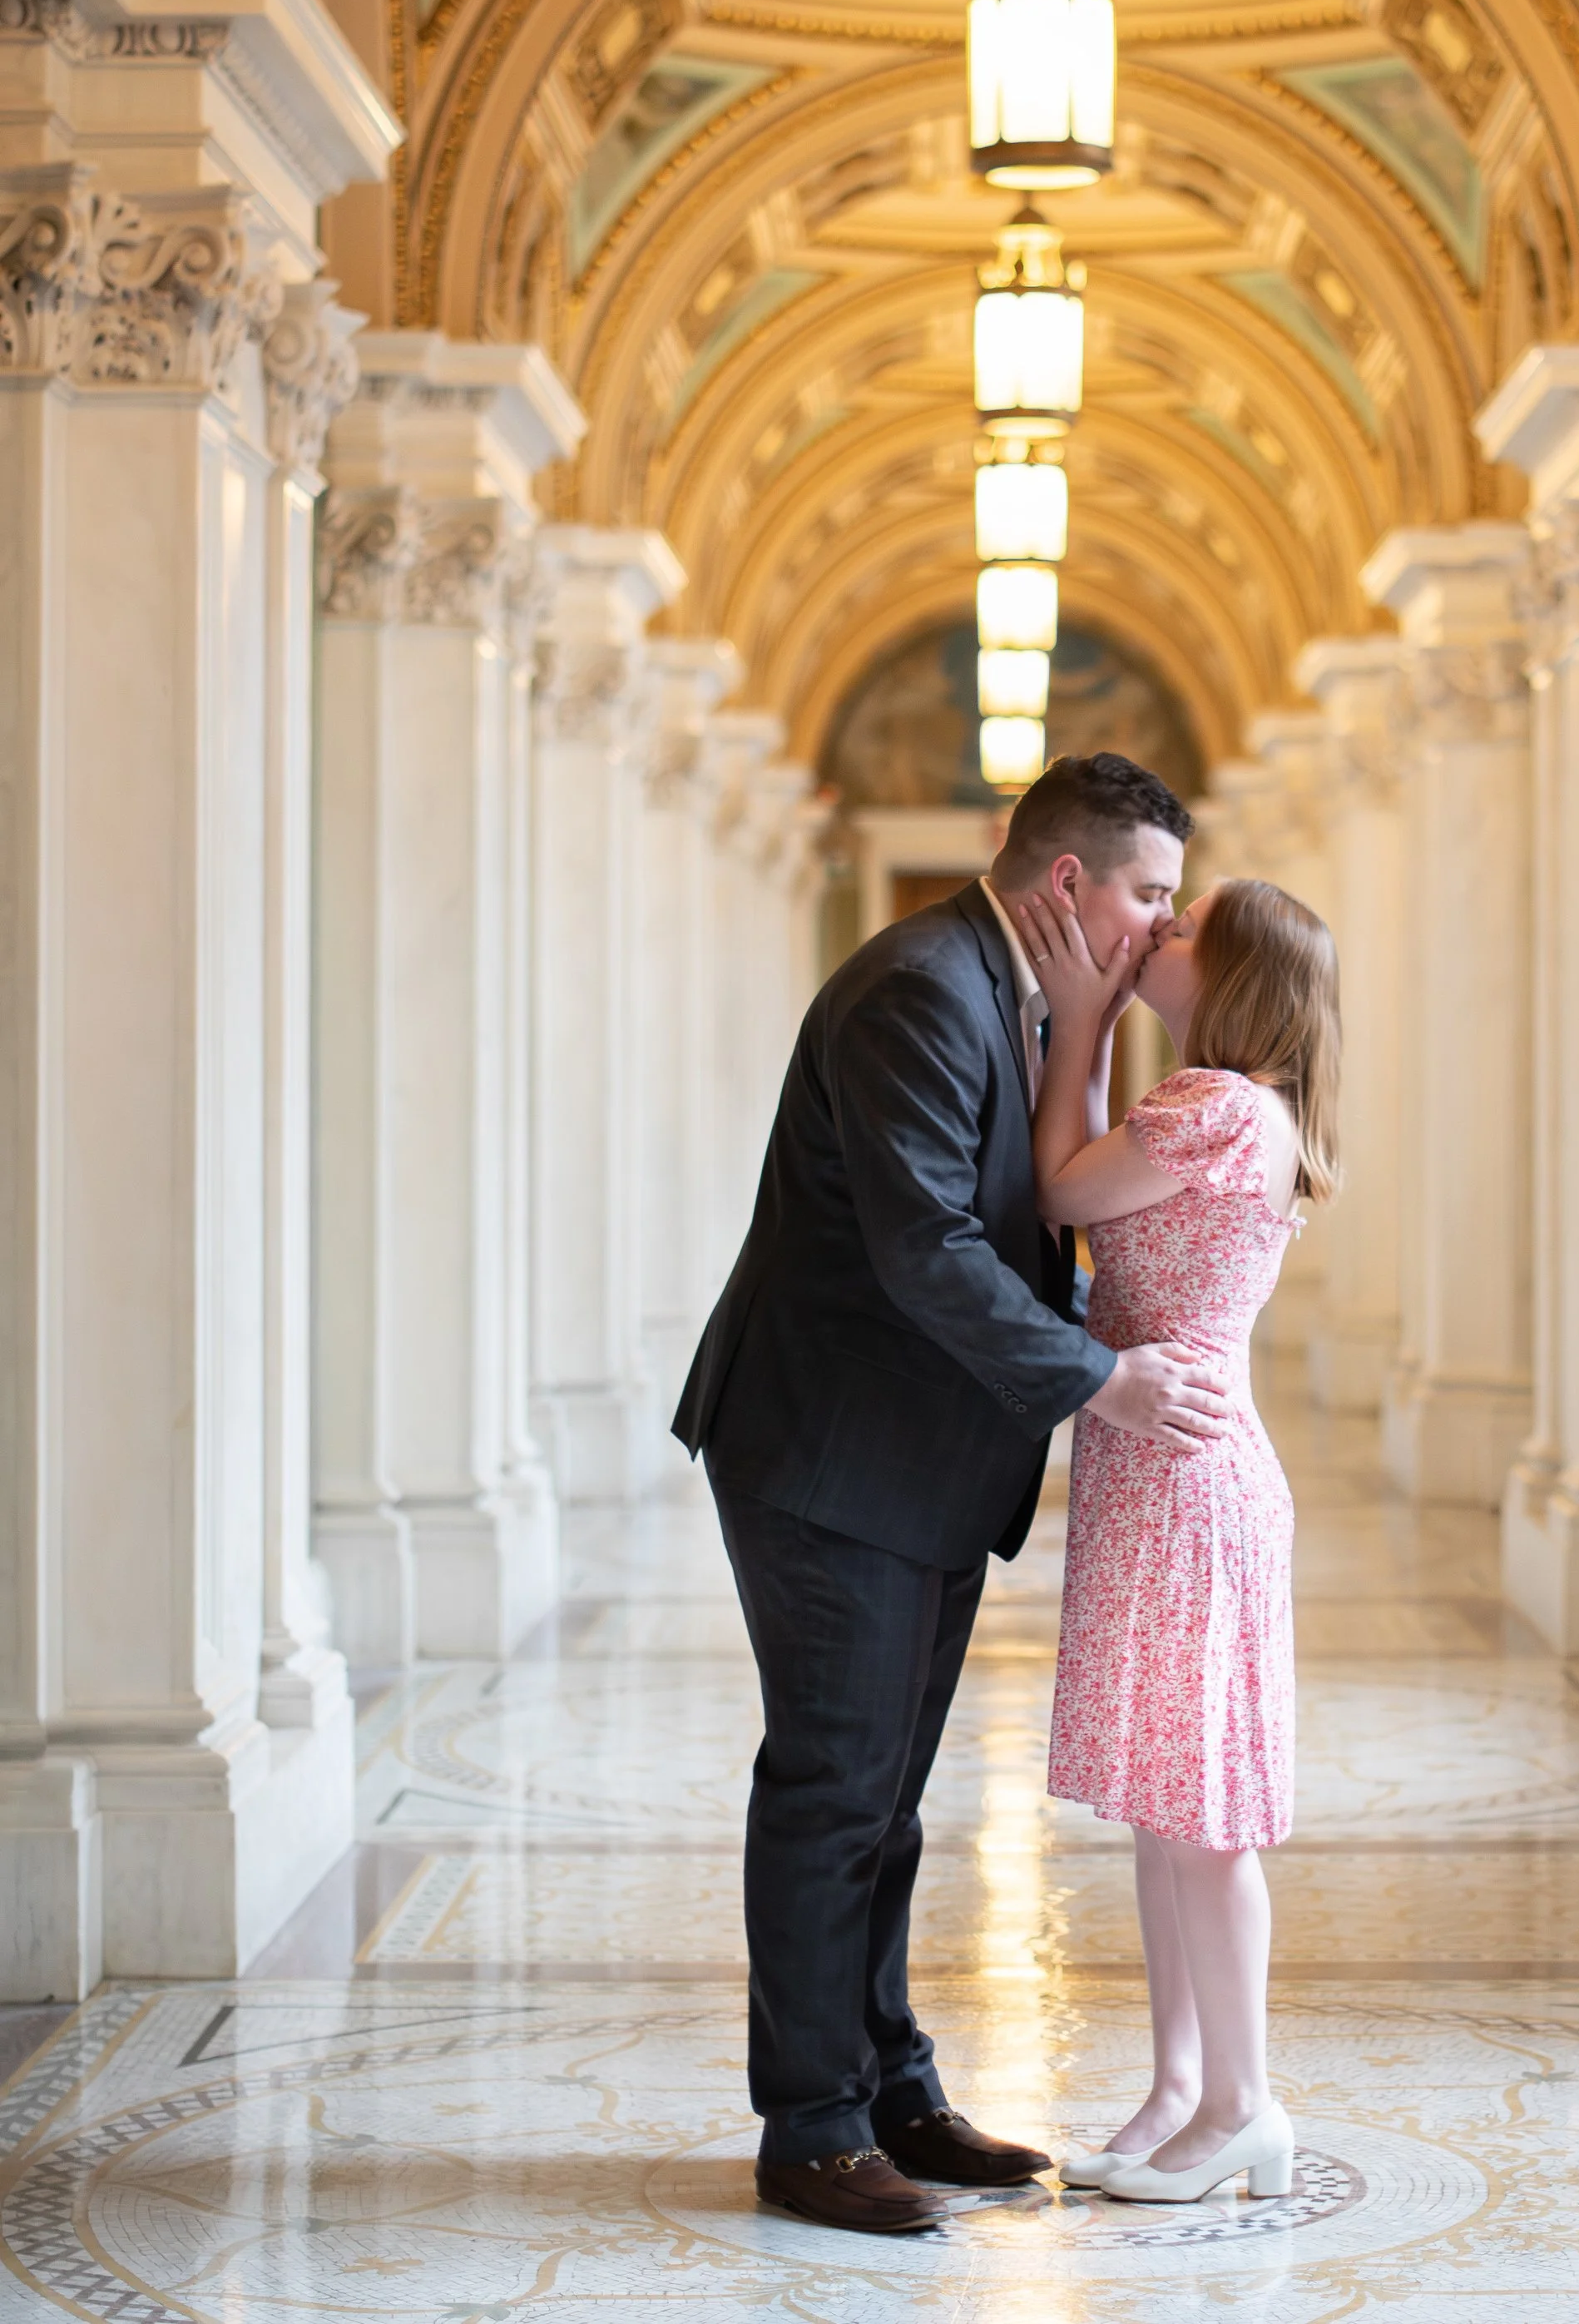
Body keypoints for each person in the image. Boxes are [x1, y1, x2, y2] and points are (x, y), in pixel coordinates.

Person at [672, 751, 1237, 2237]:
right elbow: (930, 1244)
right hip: (831, 1455)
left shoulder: (1019, 992)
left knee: (890, 1802)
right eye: (1152, 894)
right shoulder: (922, 984)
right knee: (833, 1787)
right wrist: (1099, 1379)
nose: (1162, 924)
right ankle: (810, 2129)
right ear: (1072, 883)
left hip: (915, 1461)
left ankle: (893, 2088)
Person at [1016, 872, 1341, 2206]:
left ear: (1235, 976)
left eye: (1186, 925)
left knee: (1203, 1822)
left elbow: (1061, 1194)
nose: (1160, 929)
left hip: (1189, 1478)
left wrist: (1082, 1021)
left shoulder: (1210, 1104)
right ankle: (1176, 2086)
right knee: (1166, 1811)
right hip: (1168, 1469)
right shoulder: (1236, 1104)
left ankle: (1243, 2102)